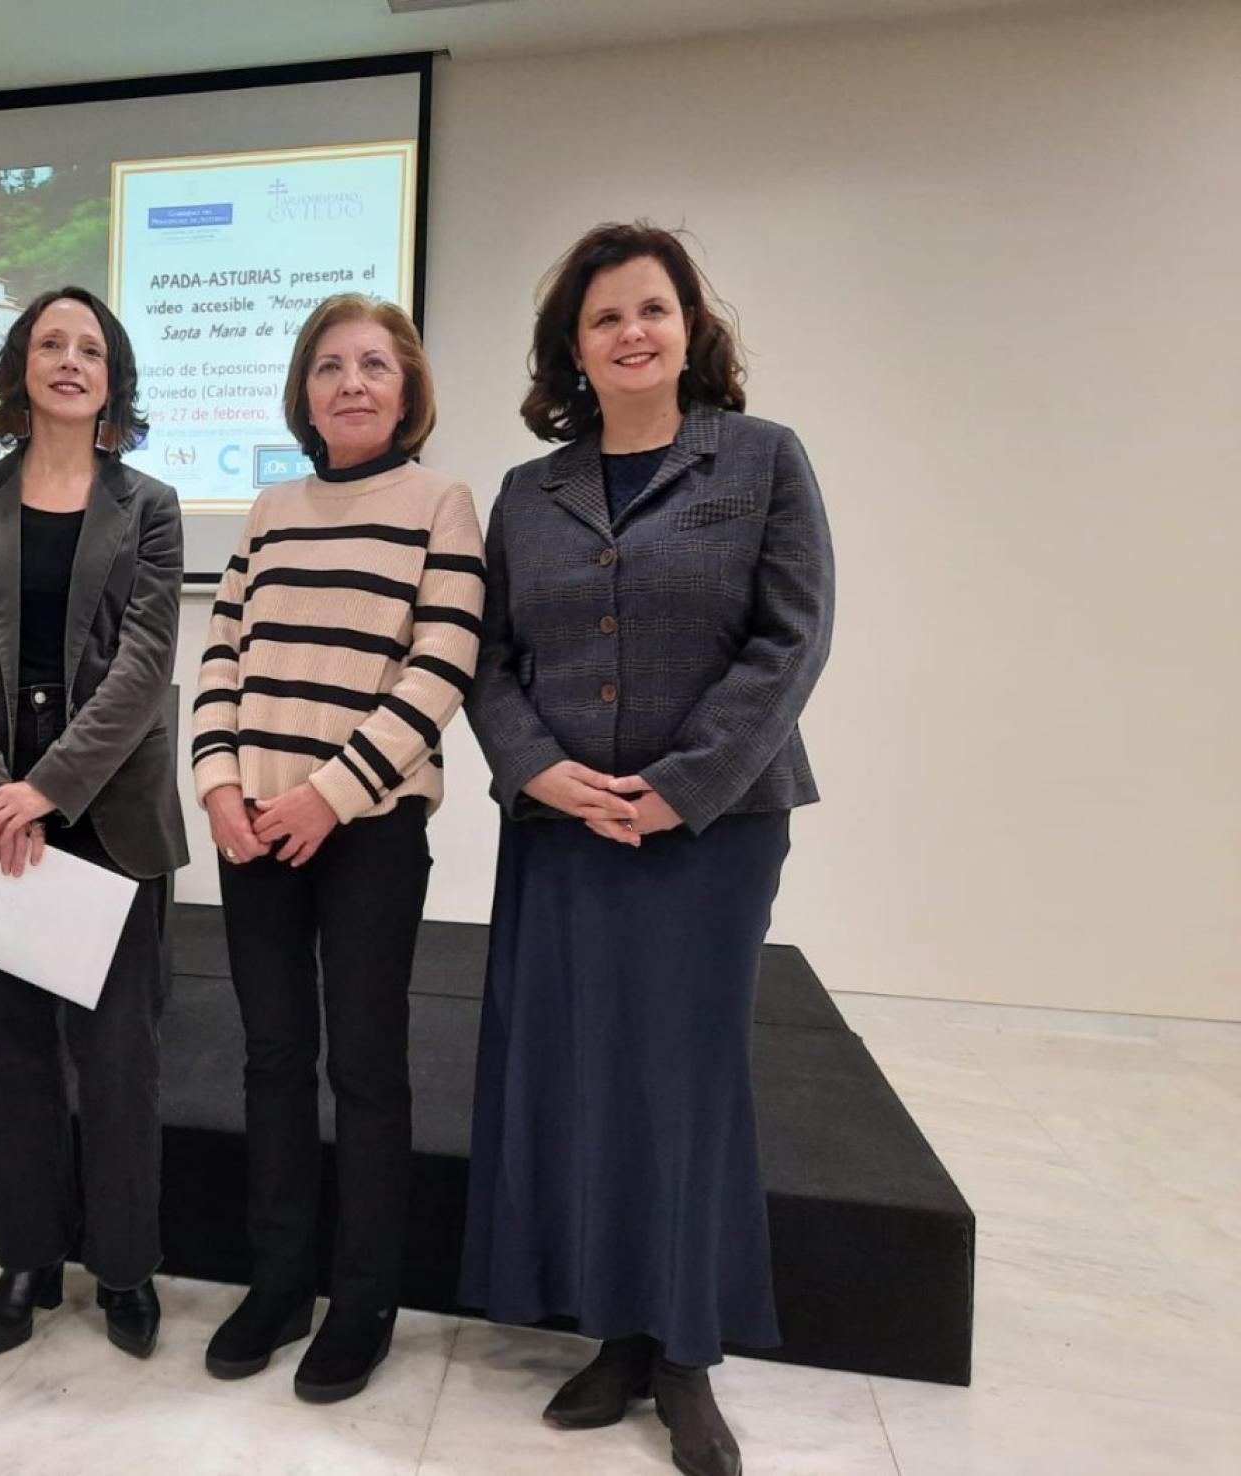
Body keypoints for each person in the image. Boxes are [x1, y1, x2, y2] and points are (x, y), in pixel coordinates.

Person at [459, 222, 834, 1476]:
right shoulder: (530, 491)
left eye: (652, 311)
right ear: (573, 348)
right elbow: (493, 659)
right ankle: (614, 1330)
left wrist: (681, 788)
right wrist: (537, 768)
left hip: (712, 831)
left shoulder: (763, 461)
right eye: (605, 317)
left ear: (690, 328)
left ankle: (686, 1354)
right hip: (563, 829)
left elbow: (791, 643)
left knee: (684, 1081)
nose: (631, 332)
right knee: (580, 1074)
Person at [193, 293, 484, 1403]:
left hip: (364, 832)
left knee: (364, 1067)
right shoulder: (269, 507)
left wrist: (329, 794)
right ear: (301, 392)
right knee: (272, 1062)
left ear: (407, 388)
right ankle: (279, 1283)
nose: (351, 383)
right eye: (329, 366)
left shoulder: (440, 502)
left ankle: (363, 1298)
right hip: (250, 831)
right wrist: (219, 786)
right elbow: (221, 654)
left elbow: (442, 662)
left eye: (373, 364)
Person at [0, 286, 186, 1362]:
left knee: (119, 1061)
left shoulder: (150, 506)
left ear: (114, 379)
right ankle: (25, 1258)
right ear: (21, 366)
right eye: (51, 342)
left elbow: (145, 665)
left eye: (92, 347)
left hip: (103, 815)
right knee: (12, 1056)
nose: (71, 359)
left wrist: (51, 786)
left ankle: (124, 1268)